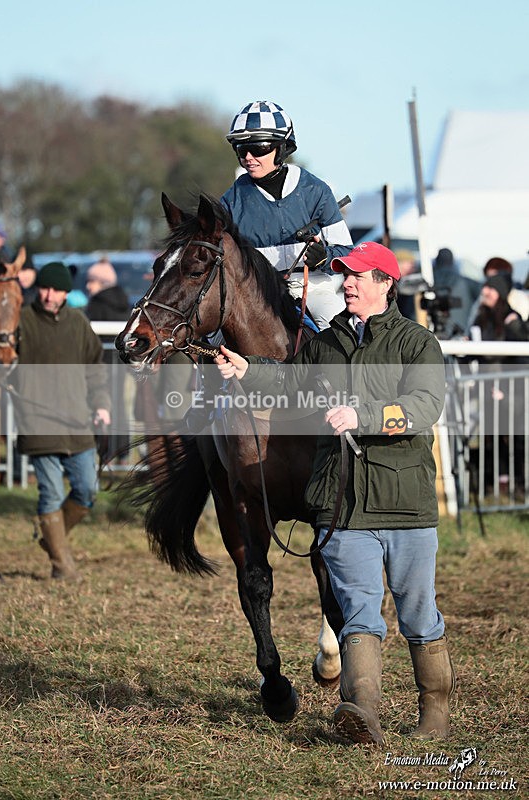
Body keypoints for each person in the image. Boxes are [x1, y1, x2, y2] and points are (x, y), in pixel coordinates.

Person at [213, 242, 454, 745]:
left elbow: (425, 405)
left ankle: (434, 713)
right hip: (343, 507)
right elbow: (290, 379)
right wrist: (246, 370)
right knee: (358, 611)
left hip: (404, 504)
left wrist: (362, 417)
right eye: (344, 274)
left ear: (386, 284)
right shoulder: (326, 345)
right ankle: (360, 712)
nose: (347, 282)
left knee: (417, 613)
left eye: (359, 275)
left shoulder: (416, 344)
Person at [13, 262, 111, 580]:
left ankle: (50, 539)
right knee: (51, 493)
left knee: (87, 490)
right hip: (37, 422)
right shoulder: (21, 322)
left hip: (76, 422)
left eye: (55, 289)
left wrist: (102, 405)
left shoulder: (79, 324)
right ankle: (62, 565)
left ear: (66, 292)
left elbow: (96, 369)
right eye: (44, 287)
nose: (48, 294)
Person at [221, 100, 353, 330]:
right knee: (209, 341)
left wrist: (324, 257)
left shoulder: (316, 191)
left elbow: (347, 254)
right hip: (253, 293)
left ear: (281, 148)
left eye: (259, 148)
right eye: (242, 150)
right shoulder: (230, 201)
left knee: (342, 332)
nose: (249, 157)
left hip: (312, 288)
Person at [471, 272, 528, 493]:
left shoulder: (510, 318)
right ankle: (498, 479)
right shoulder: (480, 316)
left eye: (491, 288)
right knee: (491, 435)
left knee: (516, 436)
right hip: (488, 386)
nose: (485, 292)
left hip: (510, 387)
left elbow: (518, 354)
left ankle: (519, 480)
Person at [85, 259, 131, 461]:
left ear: (101, 282)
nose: (88, 285)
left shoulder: (96, 305)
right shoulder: (125, 302)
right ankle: (122, 450)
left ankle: (104, 450)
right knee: (119, 402)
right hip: (120, 361)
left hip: (101, 362)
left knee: (100, 403)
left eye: (92, 281)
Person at [431, 247, 480, 338]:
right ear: (453, 262)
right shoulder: (467, 283)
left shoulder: (428, 282)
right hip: (460, 337)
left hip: (431, 336)